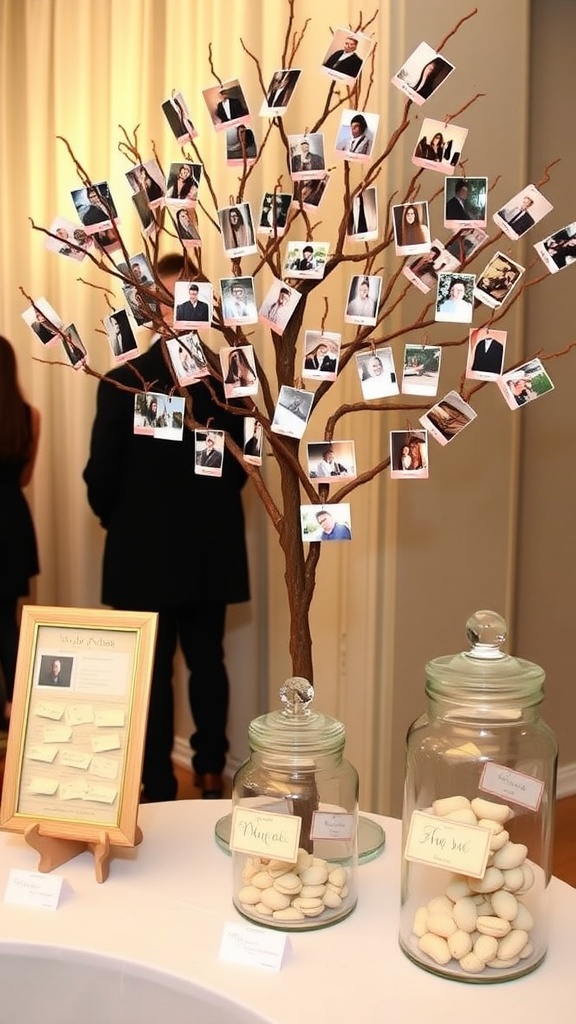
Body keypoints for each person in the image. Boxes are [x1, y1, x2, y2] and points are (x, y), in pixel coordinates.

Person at [83, 253, 249, 802]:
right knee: (201, 664)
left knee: (167, 672)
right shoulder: (230, 379)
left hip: (148, 550)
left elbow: (100, 477)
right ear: (151, 309)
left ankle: (160, 786)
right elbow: (239, 471)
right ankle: (203, 773)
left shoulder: (126, 380)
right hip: (204, 548)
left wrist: (125, 521)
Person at [0, 337, 40, 724]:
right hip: (12, 521)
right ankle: (16, 710)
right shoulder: (29, 416)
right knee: (7, 621)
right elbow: (24, 478)